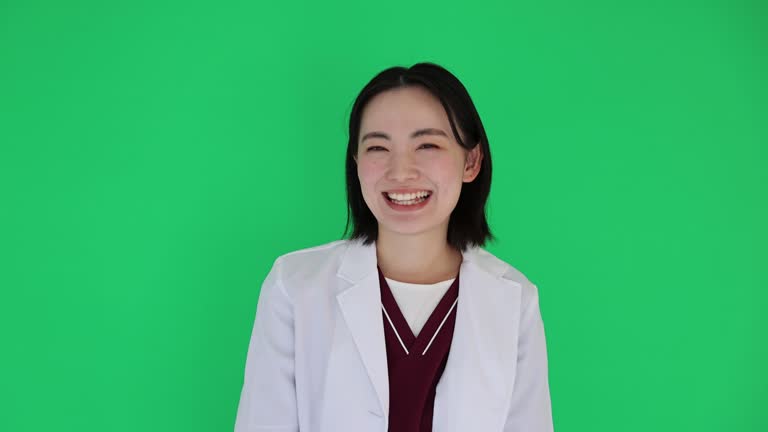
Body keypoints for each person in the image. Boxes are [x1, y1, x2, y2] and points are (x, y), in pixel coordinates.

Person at [234, 62, 554, 432]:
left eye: (427, 145)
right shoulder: (294, 288)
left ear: (471, 161)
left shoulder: (515, 301)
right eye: (378, 147)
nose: (401, 171)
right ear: (355, 162)